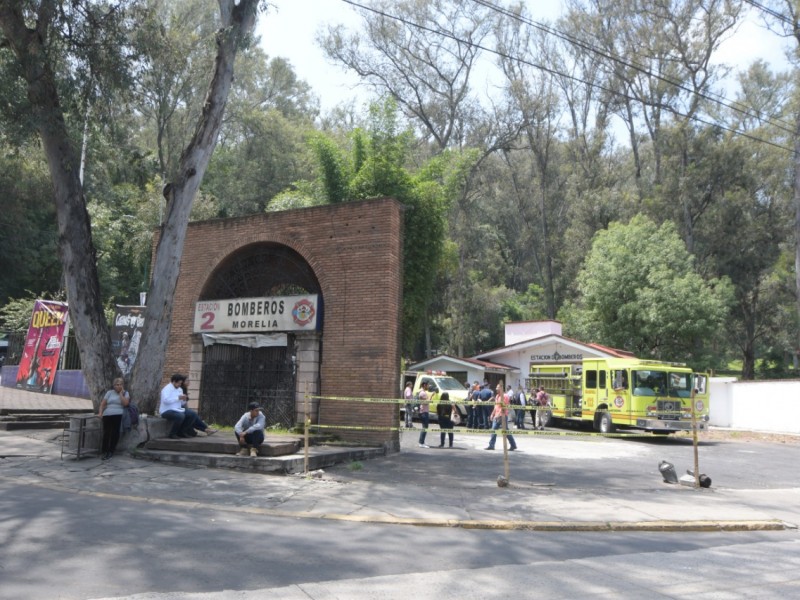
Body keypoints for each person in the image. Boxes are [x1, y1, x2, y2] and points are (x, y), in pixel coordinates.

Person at [159, 373, 217, 439]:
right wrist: (178, 398)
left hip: (177, 409)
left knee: (192, 414)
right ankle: (172, 433)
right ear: (174, 381)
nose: (179, 385)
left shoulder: (179, 389)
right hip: (166, 410)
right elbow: (165, 401)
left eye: (181, 383)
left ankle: (182, 431)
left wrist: (184, 399)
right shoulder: (167, 389)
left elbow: (182, 403)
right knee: (180, 416)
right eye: (178, 383)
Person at [98, 377, 130, 460]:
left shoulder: (125, 393)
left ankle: (111, 450)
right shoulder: (109, 393)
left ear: (122, 385)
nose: (117, 386)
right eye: (116, 385)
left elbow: (125, 404)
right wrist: (100, 413)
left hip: (118, 413)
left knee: (115, 433)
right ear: (113, 385)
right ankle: (104, 450)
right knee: (106, 432)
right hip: (107, 414)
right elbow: (103, 404)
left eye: (119, 385)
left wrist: (120, 394)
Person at [485, 383, 517, 451]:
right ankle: (491, 445)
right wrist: (492, 414)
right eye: (496, 387)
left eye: (498, 387)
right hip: (496, 416)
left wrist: (498, 415)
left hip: (502, 416)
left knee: (505, 431)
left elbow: (504, 407)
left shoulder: (505, 396)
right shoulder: (497, 396)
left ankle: (513, 445)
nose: (496, 389)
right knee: (494, 430)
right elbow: (496, 406)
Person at [417, 381, 431, 448]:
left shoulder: (422, 392)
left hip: (423, 411)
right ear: (424, 385)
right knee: (425, 428)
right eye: (428, 385)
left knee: (424, 427)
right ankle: (421, 443)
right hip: (424, 412)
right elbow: (426, 403)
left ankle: (422, 441)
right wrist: (431, 396)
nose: (429, 386)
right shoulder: (422, 393)